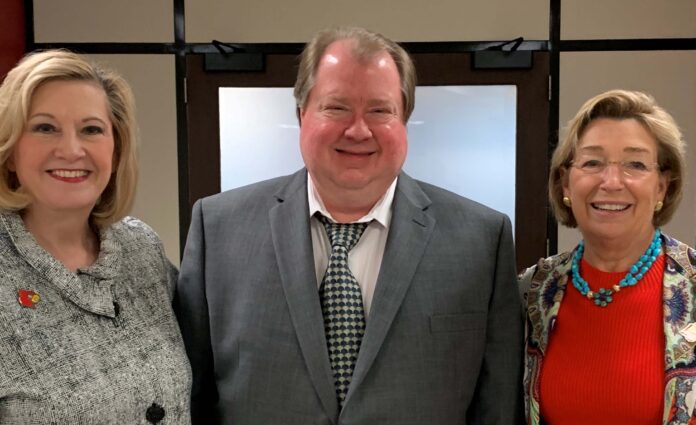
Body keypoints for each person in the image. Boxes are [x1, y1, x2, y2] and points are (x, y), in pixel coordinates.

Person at [176, 26, 523, 424]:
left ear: (404, 120)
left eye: (380, 110)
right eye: (336, 107)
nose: (358, 130)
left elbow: (496, 408)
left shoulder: (482, 240)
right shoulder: (218, 230)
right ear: (301, 114)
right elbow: (191, 399)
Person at [0, 50, 191, 423]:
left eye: (91, 129)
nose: (71, 150)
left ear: (115, 150)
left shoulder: (141, 248)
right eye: (44, 128)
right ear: (9, 151)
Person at [520, 89, 694, 424]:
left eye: (635, 164)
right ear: (566, 183)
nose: (611, 181)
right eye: (592, 162)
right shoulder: (529, 294)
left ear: (662, 187)